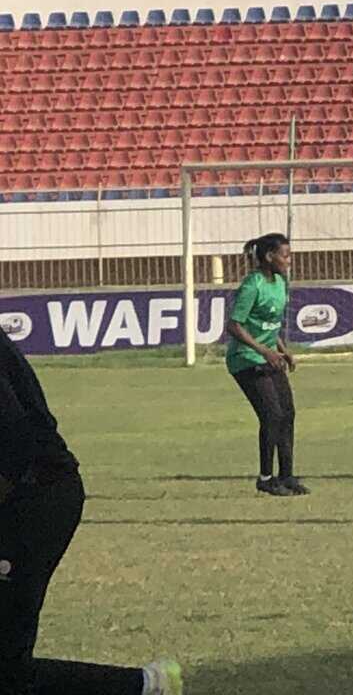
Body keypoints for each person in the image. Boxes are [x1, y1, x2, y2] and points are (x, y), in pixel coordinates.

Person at [0, 324, 183, 693]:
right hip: (32, 491)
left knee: (7, 672)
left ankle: (147, 686)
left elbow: (15, 447)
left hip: (36, 496)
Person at [225, 234, 307, 496]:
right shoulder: (253, 285)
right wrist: (263, 351)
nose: (289, 260)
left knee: (287, 413)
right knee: (271, 415)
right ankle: (266, 478)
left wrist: (284, 351)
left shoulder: (280, 282)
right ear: (270, 256)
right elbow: (235, 326)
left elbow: (270, 325)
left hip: (269, 356)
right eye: (285, 255)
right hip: (245, 359)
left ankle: (287, 476)